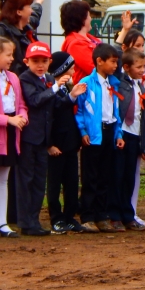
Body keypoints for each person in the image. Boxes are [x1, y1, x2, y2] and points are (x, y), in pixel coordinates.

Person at [17, 42, 69, 236]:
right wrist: (55, 88)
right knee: (26, 180)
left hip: (43, 139)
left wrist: (70, 95)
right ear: (27, 62)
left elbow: (55, 104)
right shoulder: (25, 78)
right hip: (29, 136)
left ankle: (35, 220)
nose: (40, 65)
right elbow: (35, 100)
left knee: (39, 180)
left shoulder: (48, 78)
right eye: (35, 61)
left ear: (49, 62)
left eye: (44, 61)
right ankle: (25, 221)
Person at [74, 43, 124, 233]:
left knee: (105, 175)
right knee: (90, 176)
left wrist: (118, 133)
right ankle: (87, 215)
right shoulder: (87, 83)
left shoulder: (113, 84)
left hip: (109, 130)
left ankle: (101, 215)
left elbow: (115, 111)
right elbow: (78, 111)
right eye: (112, 62)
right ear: (99, 61)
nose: (115, 66)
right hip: (93, 134)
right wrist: (83, 132)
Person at [112, 48, 145, 231]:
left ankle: (128, 215)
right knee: (117, 176)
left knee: (129, 178)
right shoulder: (119, 84)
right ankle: (114, 216)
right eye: (139, 67)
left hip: (135, 136)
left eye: (144, 66)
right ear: (126, 67)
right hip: (121, 135)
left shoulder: (142, 89)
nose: (143, 70)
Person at [46, 52, 87, 234]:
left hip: (70, 143)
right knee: (54, 183)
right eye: (70, 66)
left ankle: (70, 216)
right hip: (57, 144)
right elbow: (53, 111)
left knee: (71, 182)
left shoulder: (67, 86)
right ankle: (56, 217)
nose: (73, 69)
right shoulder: (51, 89)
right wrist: (49, 144)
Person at [0, 37, 27, 237]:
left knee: (3, 178)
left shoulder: (13, 77)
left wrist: (22, 116)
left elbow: (20, 103)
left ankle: (3, 222)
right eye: (8, 55)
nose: (12, 59)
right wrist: (8, 120)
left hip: (10, 133)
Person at [0, 0, 44, 76]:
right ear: (19, 12)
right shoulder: (1, 31)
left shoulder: (26, 27)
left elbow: (35, 17)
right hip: (14, 85)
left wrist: (38, 4)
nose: (31, 11)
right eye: (29, 7)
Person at [61, 0, 101, 84]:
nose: (91, 19)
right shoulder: (76, 44)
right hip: (89, 90)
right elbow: (96, 69)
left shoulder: (90, 38)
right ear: (82, 18)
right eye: (89, 15)